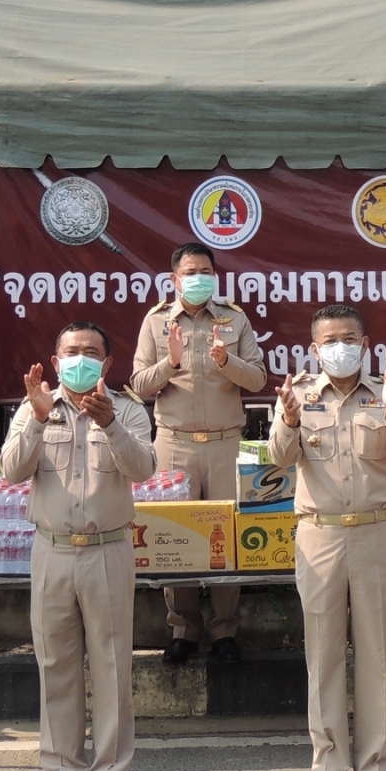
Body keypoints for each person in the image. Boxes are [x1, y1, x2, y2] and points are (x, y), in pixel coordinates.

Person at [0, 321, 156, 771]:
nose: (80, 360)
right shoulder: (35, 406)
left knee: (112, 667)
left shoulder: (127, 409)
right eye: (72, 352)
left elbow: (144, 469)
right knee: (56, 667)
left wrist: (111, 426)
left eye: (91, 352)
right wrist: (37, 419)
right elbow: (11, 470)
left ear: (107, 364)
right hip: (52, 551)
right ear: (56, 360)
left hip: (108, 550)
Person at [268, 304, 386, 771]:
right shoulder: (298, 396)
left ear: (365, 343)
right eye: (330, 340)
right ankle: (328, 770)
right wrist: (289, 421)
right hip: (321, 534)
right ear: (315, 349)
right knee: (324, 655)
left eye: (349, 339)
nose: (341, 348)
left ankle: (375, 769)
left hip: (375, 532)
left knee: (376, 652)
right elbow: (278, 459)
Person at [131, 241, 267, 665]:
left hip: (226, 443)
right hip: (174, 444)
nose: (199, 278)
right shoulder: (156, 321)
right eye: (190, 272)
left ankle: (225, 630)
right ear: (175, 279)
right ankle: (183, 629)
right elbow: (138, 385)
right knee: (176, 536)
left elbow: (259, 379)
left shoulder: (235, 318)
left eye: (205, 271)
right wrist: (170, 364)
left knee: (227, 534)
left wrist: (227, 362)